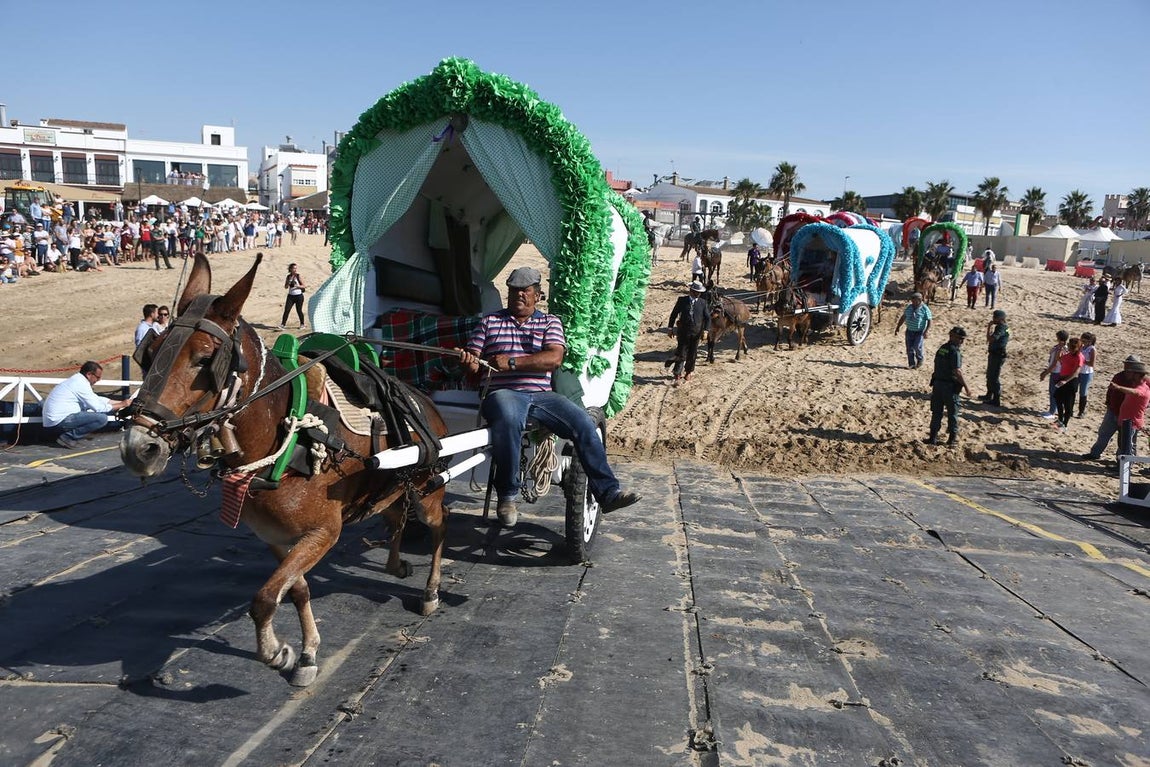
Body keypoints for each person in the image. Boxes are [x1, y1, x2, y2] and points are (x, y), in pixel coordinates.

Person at [457, 266, 641, 527]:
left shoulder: (549, 322)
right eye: (513, 290)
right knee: (508, 418)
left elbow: (554, 358)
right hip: (503, 393)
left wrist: (512, 362)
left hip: (542, 396)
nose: (519, 295)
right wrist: (469, 361)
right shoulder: (490, 322)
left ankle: (608, 493)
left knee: (583, 423)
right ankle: (507, 496)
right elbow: (474, 362)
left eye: (525, 290)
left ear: (538, 295)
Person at [42, 361, 134, 448]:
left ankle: (68, 436)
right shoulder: (80, 384)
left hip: (54, 420)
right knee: (101, 419)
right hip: (59, 421)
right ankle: (68, 437)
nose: (98, 380)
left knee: (98, 414)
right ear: (89, 374)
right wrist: (122, 404)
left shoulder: (78, 381)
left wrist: (121, 402)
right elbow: (99, 408)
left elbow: (97, 399)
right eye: (97, 377)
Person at [1084, 356, 1146, 461]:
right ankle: (1095, 453)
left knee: (1125, 441)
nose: (1126, 366)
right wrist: (1108, 402)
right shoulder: (1119, 376)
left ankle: (1121, 461)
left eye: (1128, 364)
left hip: (1128, 417)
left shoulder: (1141, 381)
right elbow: (1110, 390)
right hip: (1113, 410)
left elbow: (1139, 393)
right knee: (1104, 434)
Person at [925, 326, 971, 446]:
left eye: (963, 339)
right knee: (952, 413)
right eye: (960, 338)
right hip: (949, 387)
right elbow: (957, 371)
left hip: (938, 384)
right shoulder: (954, 351)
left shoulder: (942, 348)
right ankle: (952, 439)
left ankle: (932, 437)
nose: (961, 341)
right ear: (952, 336)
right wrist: (966, 386)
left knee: (936, 412)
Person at [666, 280, 709, 385]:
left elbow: (707, 318)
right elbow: (674, 314)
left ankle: (688, 371)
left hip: (696, 332)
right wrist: (670, 328)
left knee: (692, 353)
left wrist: (706, 331)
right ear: (691, 291)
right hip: (683, 331)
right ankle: (677, 373)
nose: (698, 294)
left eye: (700, 292)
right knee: (681, 352)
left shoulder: (702, 303)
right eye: (697, 292)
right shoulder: (682, 300)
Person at [1112, 362, 1150, 459]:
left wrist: (1118, 387)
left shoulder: (1142, 388)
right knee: (1123, 445)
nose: (1129, 374)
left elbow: (1135, 392)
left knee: (1127, 446)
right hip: (1126, 422)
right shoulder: (1138, 385)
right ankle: (1121, 464)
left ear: (1137, 375)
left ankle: (1126, 465)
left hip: (1131, 423)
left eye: (1132, 373)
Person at [1052, 337, 1083, 432]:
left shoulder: (1079, 357)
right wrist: (1060, 349)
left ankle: (1065, 424)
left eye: (1073, 348)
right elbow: (1058, 359)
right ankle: (1060, 420)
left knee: (1068, 405)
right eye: (1070, 347)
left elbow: (1076, 372)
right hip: (1062, 379)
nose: (1071, 349)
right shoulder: (1068, 355)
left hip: (1071, 381)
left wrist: (1066, 381)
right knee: (1058, 399)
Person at [894, 291, 932, 369]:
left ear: (920, 300)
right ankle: (911, 364)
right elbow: (903, 317)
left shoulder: (924, 309)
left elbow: (929, 320)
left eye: (914, 300)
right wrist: (898, 327)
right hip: (909, 331)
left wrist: (926, 331)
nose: (913, 302)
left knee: (917, 346)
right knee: (909, 348)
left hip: (919, 332)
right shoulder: (909, 308)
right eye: (912, 300)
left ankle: (920, 359)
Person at [1039, 330, 1070, 419]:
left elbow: (1054, 364)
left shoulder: (1061, 349)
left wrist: (1045, 373)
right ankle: (1053, 410)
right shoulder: (1061, 348)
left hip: (1057, 372)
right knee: (1054, 392)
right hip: (1058, 372)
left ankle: (1052, 412)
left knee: (1054, 392)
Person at [980, 309, 1009, 407]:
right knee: (989, 375)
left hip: (997, 355)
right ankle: (989, 394)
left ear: (1000, 318)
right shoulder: (1004, 327)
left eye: (995, 317)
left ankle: (996, 399)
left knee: (994, 377)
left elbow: (991, 339)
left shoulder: (1001, 328)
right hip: (995, 354)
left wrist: (989, 327)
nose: (993, 319)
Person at [279, 263, 307, 329]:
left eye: (296, 268)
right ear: (290, 269)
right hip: (290, 296)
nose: (295, 270)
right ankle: (283, 324)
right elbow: (286, 287)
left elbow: (304, 286)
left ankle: (302, 324)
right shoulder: (288, 277)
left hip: (299, 296)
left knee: (299, 310)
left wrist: (296, 286)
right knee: (287, 310)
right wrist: (288, 283)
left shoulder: (298, 276)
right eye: (294, 268)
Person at [1077, 332, 1096, 418]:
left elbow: (1092, 363)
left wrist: (1082, 361)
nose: (1082, 341)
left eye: (1084, 340)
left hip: (1086, 373)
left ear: (1089, 341)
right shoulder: (1081, 347)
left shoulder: (1092, 349)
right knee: (1073, 390)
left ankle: (1081, 411)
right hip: (1078, 372)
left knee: (1083, 392)